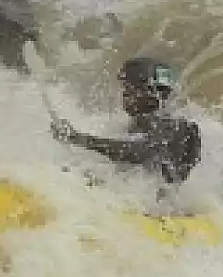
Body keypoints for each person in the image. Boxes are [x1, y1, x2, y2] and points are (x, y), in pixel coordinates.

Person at [50, 56, 201, 186]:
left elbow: (142, 153)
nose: (124, 95)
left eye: (129, 89)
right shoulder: (143, 125)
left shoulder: (175, 126)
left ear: (150, 91)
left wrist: (78, 138)